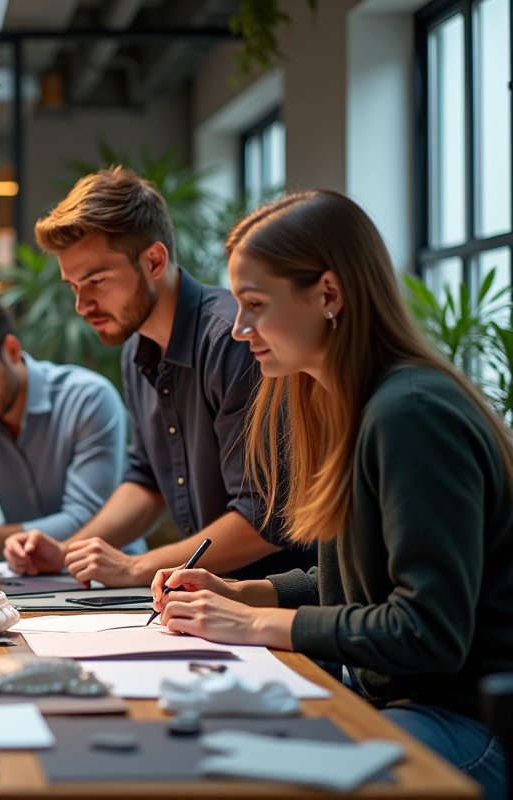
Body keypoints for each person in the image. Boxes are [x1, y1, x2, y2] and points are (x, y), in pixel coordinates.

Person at [151, 190, 510, 799]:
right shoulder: (352, 402)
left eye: (255, 306)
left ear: (329, 295)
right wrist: (247, 591)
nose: (240, 330)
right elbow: (361, 576)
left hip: (470, 724)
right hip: (397, 699)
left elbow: (426, 630)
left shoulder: (411, 415)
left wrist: (257, 623)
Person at [6, 166, 314, 586]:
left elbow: (265, 516)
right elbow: (146, 481)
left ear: (154, 260)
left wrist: (135, 567)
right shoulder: (137, 347)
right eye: (73, 286)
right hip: (205, 603)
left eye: (96, 280)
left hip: (278, 607)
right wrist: (66, 553)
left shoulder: (233, 340)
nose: (82, 305)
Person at [0, 296, 138, 554]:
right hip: (24, 576)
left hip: (109, 575)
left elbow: (86, 518)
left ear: (11, 350)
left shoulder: (88, 399)